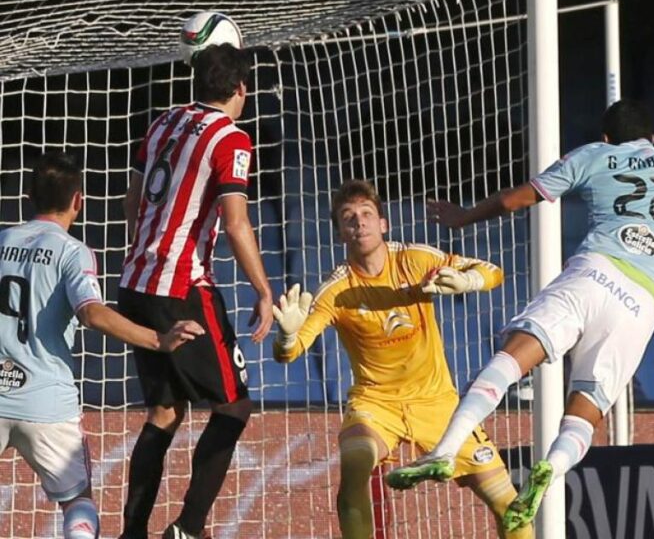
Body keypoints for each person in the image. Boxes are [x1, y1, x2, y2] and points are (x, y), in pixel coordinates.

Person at [385, 99, 654, 532]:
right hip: (641, 304)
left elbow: (517, 200)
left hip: (594, 273)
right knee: (586, 410)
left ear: (607, 137)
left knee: (512, 358)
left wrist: (463, 217)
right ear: (653, 139)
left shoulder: (593, 155)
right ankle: (551, 470)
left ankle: (446, 448)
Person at [271, 180, 532, 539]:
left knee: (510, 507)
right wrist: (286, 334)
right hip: (377, 405)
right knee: (354, 467)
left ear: (383, 223)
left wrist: (466, 280)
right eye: (349, 218)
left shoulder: (414, 259)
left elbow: (493, 272)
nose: (359, 223)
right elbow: (289, 352)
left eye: (366, 214)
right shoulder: (335, 290)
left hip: (438, 402)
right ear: (340, 233)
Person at [0, 153, 203, 539]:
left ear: (28, 195)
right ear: (79, 200)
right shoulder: (72, 251)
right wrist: (158, 339)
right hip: (46, 402)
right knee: (78, 503)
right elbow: (92, 313)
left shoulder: (1, 240)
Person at [117, 44, 275, 539]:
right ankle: (188, 528)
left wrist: (145, 248)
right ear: (240, 90)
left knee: (164, 413)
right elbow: (235, 223)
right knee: (234, 405)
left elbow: (133, 196)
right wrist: (263, 290)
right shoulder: (231, 139)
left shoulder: (163, 121)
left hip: (135, 280)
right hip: (181, 287)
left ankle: (134, 532)